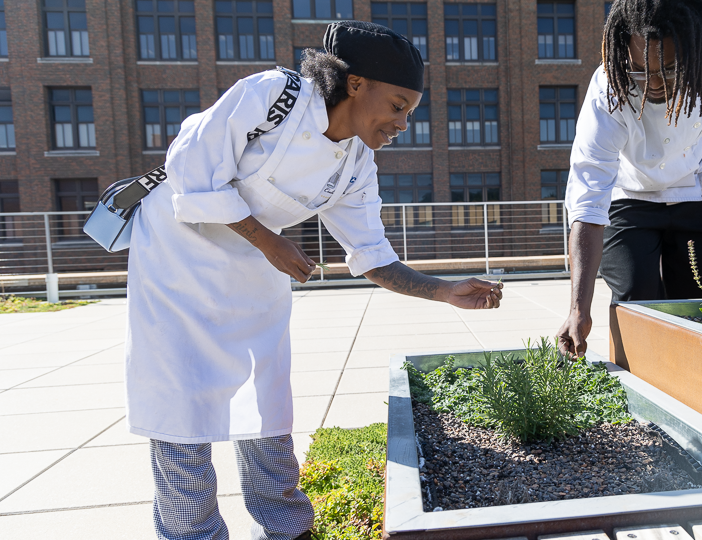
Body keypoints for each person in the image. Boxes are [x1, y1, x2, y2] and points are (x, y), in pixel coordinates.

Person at [125, 21, 503, 540]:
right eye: (397, 105)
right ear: (355, 84)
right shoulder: (273, 96)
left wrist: (442, 289)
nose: (403, 123)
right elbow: (188, 167)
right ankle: (192, 533)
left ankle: (287, 530)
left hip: (256, 270)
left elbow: (371, 257)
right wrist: (268, 240)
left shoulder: (356, 165)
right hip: (175, 261)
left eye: (410, 112)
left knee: (267, 408)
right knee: (180, 413)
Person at [556, 0, 702, 357]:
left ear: (699, 50)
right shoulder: (607, 93)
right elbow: (587, 200)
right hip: (631, 197)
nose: (656, 84)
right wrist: (578, 310)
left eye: (672, 69)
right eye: (640, 71)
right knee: (638, 307)